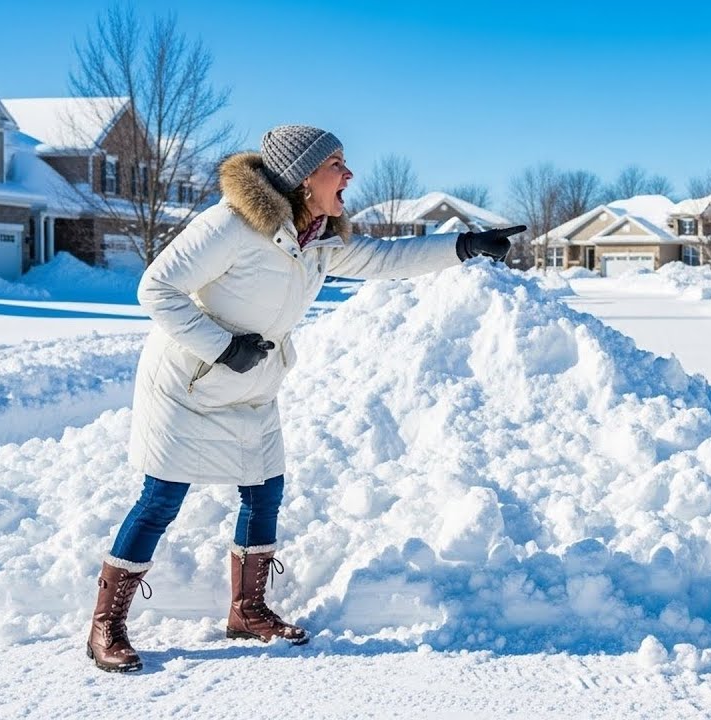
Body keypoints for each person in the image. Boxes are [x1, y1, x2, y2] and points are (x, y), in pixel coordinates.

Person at [86, 124, 524, 672]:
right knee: (161, 500)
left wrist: (463, 245)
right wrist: (222, 347)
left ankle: (247, 611)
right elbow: (155, 288)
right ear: (301, 176)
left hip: (252, 385)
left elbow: (385, 259)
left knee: (264, 493)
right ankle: (106, 625)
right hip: (189, 384)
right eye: (336, 163)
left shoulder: (313, 237)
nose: (349, 174)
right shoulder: (231, 225)